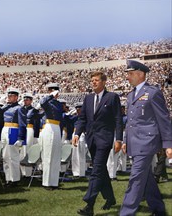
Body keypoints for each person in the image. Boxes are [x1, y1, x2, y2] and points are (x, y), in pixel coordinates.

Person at [120, 60, 172, 216]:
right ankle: (158, 208)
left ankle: (126, 213)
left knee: (135, 178)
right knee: (146, 177)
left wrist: (168, 144)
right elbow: (131, 122)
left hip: (147, 142)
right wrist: (125, 141)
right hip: (134, 142)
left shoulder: (153, 92)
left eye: (130, 74)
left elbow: (163, 119)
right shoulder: (130, 96)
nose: (127, 77)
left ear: (140, 74)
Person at [72, 71, 123, 216]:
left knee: (96, 170)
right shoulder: (88, 99)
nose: (93, 82)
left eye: (96, 80)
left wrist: (119, 139)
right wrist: (77, 133)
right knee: (101, 171)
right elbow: (82, 119)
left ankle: (89, 205)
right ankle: (110, 198)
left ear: (104, 82)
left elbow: (118, 119)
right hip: (91, 140)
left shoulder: (112, 97)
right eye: (92, 80)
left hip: (105, 140)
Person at [39, 83, 63, 190]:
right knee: (48, 156)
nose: (57, 94)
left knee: (56, 157)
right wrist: (51, 96)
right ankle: (46, 183)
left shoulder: (58, 104)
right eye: (54, 91)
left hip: (57, 128)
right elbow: (42, 102)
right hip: (49, 127)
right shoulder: (47, 102)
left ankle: (54, 182)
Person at [0, 87, 21, 187]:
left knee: (13, 156)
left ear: (16, 97)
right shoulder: (6, 107)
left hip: (13, 129)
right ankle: (8, 178)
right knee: (5, 156)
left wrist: (21, 137)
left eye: (11, 96)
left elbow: (22, 123)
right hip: (5, 128)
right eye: (8, 96)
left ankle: (14, 179)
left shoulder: (19, 108)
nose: (9, 97)